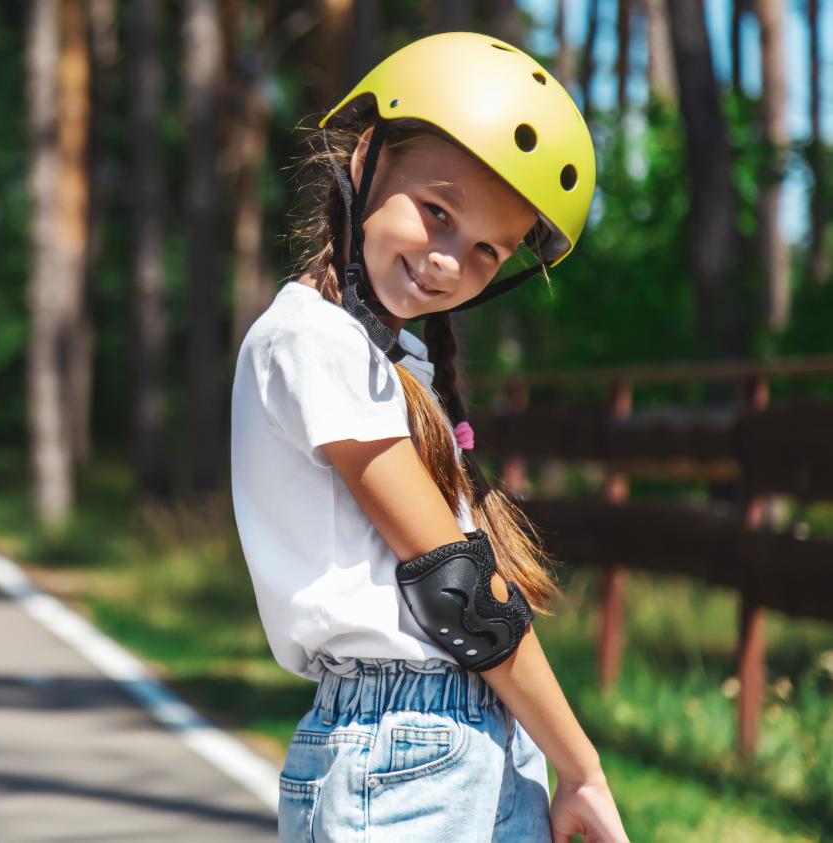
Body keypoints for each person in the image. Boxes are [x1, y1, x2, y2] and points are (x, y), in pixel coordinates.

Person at [228, 33, 630, 842]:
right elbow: (455, 588)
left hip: (461, 743)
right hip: (405, 755)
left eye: (486, 250)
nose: (449, 261)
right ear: (366, 158)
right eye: (437, 212)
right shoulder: (313, 341)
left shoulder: (388, 359)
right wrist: (583, 766)